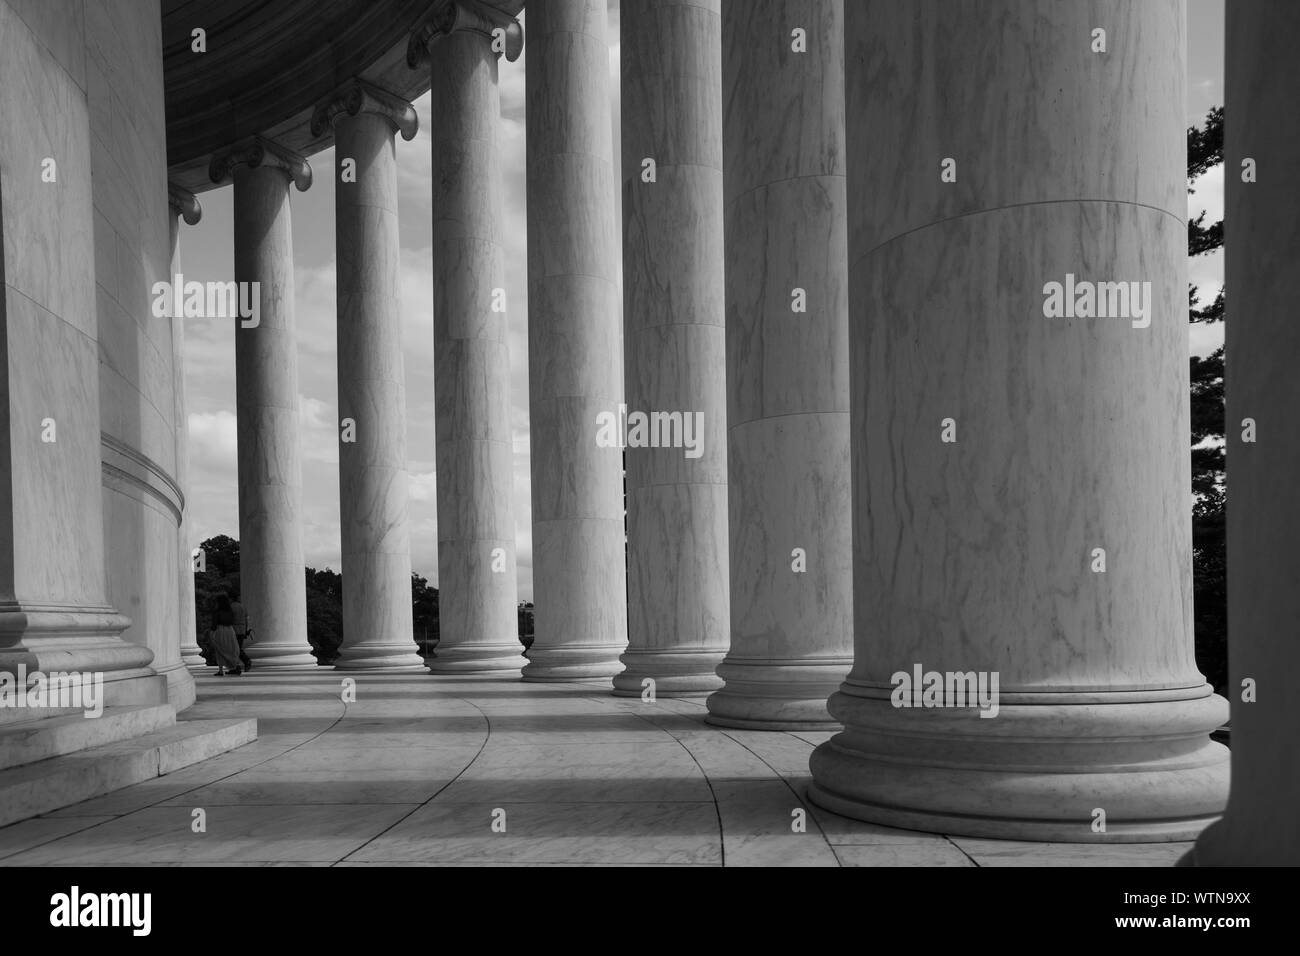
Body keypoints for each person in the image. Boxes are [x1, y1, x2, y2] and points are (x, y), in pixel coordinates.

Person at [209, 593, 243, 676]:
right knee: (231, 649)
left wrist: (211, 632)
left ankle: (221, 670)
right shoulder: (230, 611)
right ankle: (235, 665)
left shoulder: (217, 612)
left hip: (220, 630)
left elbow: (214, 624)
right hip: (230, 630)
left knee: (220, 649)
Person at [231, 594, 253, 672]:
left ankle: (245, 661)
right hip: (242, 630)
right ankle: (236, 666)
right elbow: (247, 619)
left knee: (235, 649)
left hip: (234, 630)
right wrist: (247, 630)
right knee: (237, 649)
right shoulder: (243, 607)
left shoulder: (231, 607)